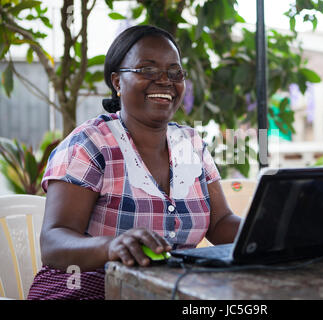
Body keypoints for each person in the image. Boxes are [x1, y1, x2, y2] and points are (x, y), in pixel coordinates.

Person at [27, 25, 241, 300]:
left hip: (169, 291)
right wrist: (110, 247)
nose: (164, 80)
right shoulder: (91, 143)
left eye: (174, 72)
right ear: (117, 82)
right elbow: (54, 242)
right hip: (85, 290)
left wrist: (273, 233)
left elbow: (220, 222)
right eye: (147, 70)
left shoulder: (192, 144)